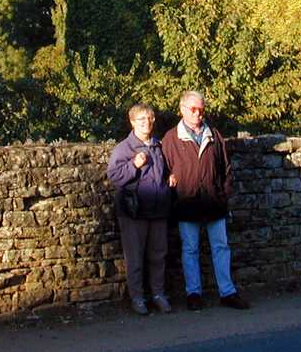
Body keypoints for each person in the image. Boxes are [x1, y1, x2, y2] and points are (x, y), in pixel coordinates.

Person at [161, 90, 250, 311]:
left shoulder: (214, 135)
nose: (198, 114)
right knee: (190, 249)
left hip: (213, 202)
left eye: (201, 109)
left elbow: (225, 168)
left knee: (221, 247)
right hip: (186, 202)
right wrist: (171, 184)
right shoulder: (171, 139)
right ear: (182, 110)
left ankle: (227, 292)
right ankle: (193, 293)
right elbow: (163, 169)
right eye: (193, 109)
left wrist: (223, 194)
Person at [107, 103, 177, 315]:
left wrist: (169, 178)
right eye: (141, 120)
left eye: (149, 119)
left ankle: (158, 295)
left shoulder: (158, 145)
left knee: (158, 255)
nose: (146, 123)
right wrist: (133, 166)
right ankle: (137, 298)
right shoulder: (123, 148)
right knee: (135, 257)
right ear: (132, 122)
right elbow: (114, 176)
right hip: (133, 212)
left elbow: (162, 172)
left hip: (158, 209)